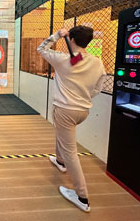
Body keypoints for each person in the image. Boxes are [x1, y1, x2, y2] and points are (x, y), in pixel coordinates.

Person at [37, 26, 106, 212]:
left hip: (65, 111)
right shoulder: (97, 62)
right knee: (63, 138)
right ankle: (59, 161)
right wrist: (83, 98)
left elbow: (41, 49)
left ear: (72, 39)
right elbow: (98, 88)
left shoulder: (62, 59)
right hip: (83, 111)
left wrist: (57, 35)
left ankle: (82, 196)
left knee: (71, 152)